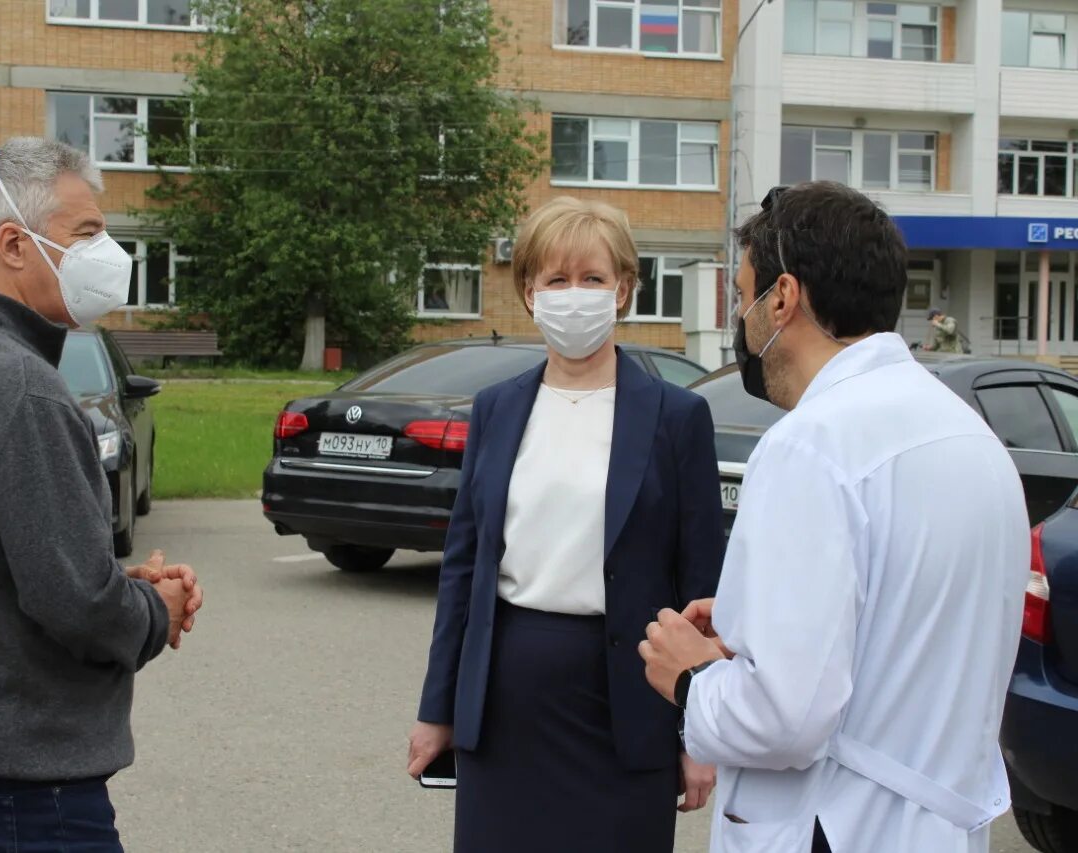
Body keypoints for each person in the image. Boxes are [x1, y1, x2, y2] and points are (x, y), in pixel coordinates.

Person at [639, 182, 1029, 853]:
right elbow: (904, 634)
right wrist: (748, 628)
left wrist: (691, 674)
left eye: (743, 296)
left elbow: (785, 718)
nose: (743, 318)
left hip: (835, 825)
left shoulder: (813, 444)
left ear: (783, 298)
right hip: (933, 828)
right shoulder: (970, 437)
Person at [0, 137, 204, 852]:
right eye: (87, 233)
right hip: (9, 793)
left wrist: (106, 575)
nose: (107, 252)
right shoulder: (21, 388)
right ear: (14, 245)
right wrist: (154, 607)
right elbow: (77, 605)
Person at [407, 196, 725, 852]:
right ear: (529, 293)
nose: (573, 295)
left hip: (633, 701)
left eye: (592, 278)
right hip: (508, 703)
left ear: (624, 290)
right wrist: (437, 709)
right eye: (556, 279)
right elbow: (463, 573)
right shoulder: (496, 410)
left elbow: (704, 587)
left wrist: (702, 730)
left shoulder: (676, 417)